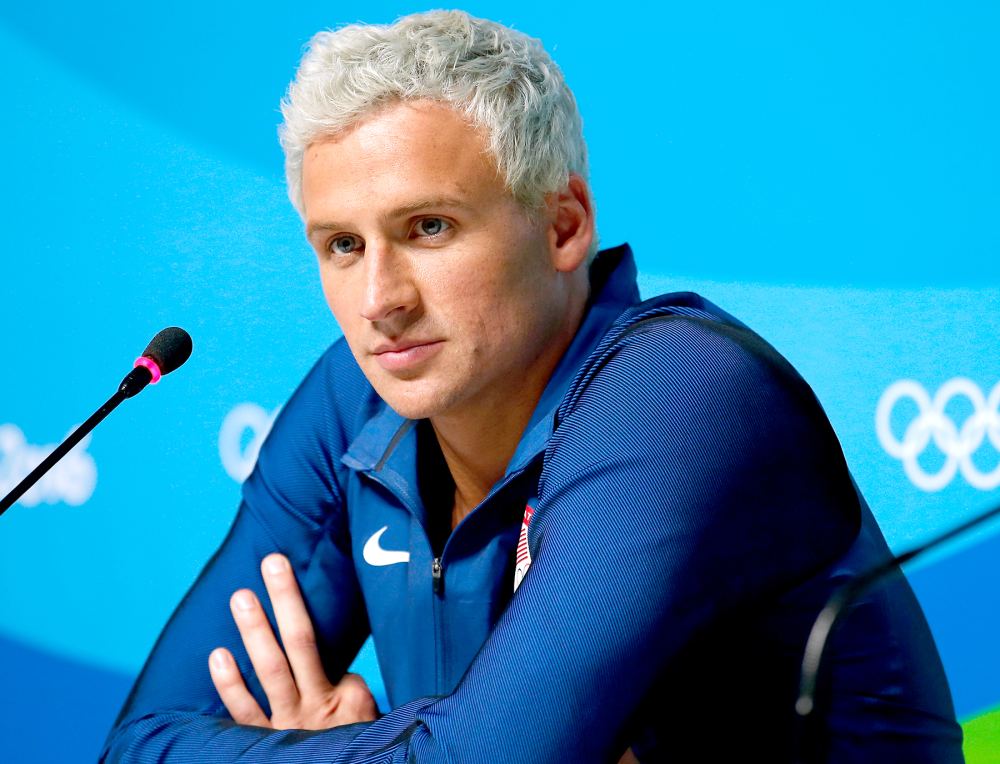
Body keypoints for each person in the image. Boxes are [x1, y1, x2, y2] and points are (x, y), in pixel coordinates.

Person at [101, 10, 963, 763]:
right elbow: (134, 744)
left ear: (563, 226)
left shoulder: (681, 393)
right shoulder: (355, 400)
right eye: (342, 246)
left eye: (428, 227)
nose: (380, 301)